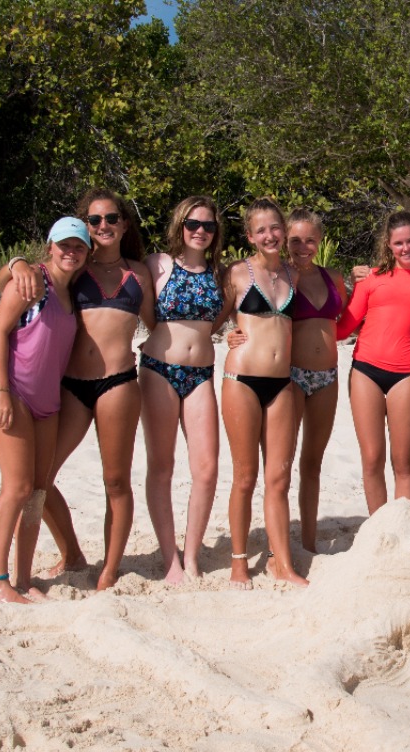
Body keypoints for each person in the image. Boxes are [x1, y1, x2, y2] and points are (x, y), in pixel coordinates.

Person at [0, 189, 155, 590]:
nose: (104, 225)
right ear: (86, 225)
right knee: (40, 480)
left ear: (124, 224)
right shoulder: (74, 265)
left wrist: (230, 334)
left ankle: (109, 570)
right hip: (70, 386)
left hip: (119, 383)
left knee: (116, 481)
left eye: (112, 218)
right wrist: (17, 263)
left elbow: (160, 325)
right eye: (95, 219)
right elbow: (4, 281)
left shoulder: (139, 274)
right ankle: (71, 552)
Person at [0, 218, 88, 603]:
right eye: (64, 244)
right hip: (11, 389)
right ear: (50, 246)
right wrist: (1, 391)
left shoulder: (73, 290)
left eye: (79, 246)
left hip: (48, 401)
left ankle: (23, 580)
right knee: (18, 486)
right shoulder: (33, 281)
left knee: (37, 492)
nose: (71, 251)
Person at [336, 211, 410, 513]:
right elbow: (342, 329)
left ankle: (404, 527)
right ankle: (378, 528)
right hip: (365, 372)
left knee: (403, 462)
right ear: (388, 245)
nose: (405, 248)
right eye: (398, 243)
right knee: (372, 459)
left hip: (405, 375)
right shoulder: (370, 279)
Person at [139, 195, 231, 584]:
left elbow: (220, 321)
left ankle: (191, 556)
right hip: (159, 370)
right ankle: (169, 559)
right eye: (193, 224)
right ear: (180, 226)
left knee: (207, 469)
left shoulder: (221, 274)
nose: (200, 231)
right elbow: (146, 314)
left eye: (208, 225)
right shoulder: (157, 264)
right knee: (161, 466)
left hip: (201, 375)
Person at [221, 198, 307, 588]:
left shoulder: (294, 273)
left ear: (283, 229)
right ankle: (239, 562)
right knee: (245, 476)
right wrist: (227, 333)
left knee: (279, 478)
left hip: (281, 383)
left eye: (275, 227)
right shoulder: (238, 273)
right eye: (261, 230)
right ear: (250, 236)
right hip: (241, 380)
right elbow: (212, 319)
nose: (269, 235)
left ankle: (281, 563)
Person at [284, 210, 347, 552]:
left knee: (312, 464)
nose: (303, 247)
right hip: (291, 375)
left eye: (310, 240)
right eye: (295, 240)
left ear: (319, 240)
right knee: (282, 464)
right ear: (285, 241)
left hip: (328, 376)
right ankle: (280, 542)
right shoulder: (280, 277)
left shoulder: (333, 277)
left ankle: (308, 543)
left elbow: (349, 318)